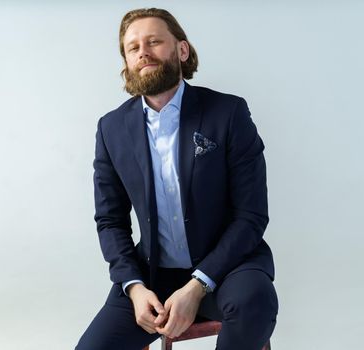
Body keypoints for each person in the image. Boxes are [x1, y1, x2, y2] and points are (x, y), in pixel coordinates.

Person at [76, 8, 278, 350]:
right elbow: (110, 221)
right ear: (126, 61)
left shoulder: (228, 113)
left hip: (228, 268)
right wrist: (134, 287)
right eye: (133, 47)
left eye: (154, 41)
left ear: (181, 51)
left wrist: (197, 285)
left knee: (254, 302)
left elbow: (251, 215)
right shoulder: (110, 129)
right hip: (153, 278)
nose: (143, 51)